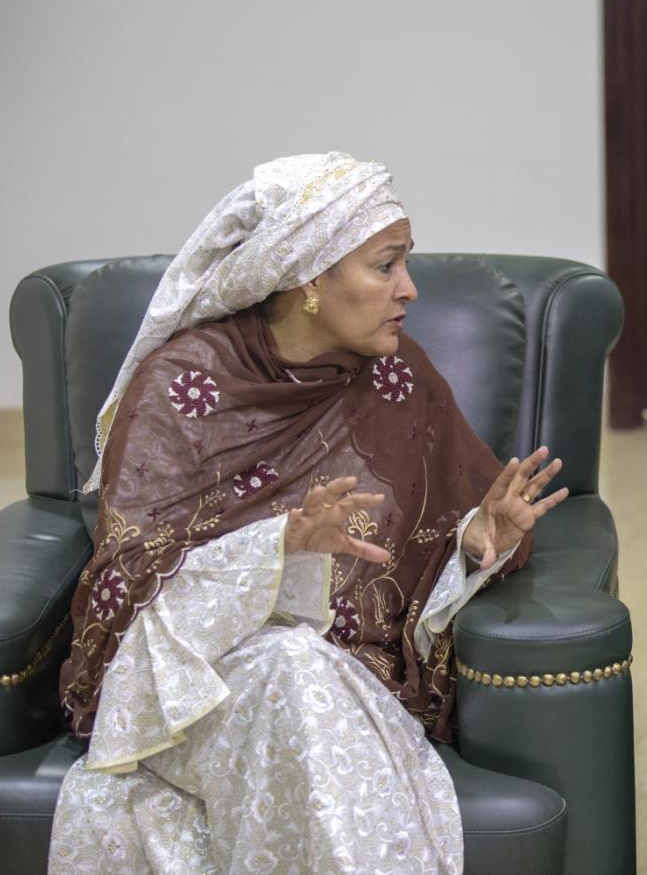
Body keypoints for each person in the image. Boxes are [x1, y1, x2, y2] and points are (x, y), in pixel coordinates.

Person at [48, 152, 567, 874]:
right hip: (197, 691)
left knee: (297, 668)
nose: (409, 288)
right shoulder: (181, 385)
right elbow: (127, 586)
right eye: (385, 266)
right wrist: (278, 549)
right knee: (290, 665)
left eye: (406, 262)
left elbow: (436, 534)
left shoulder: (397, 374)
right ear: (309, 278)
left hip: (342, 679)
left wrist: (478, 537)